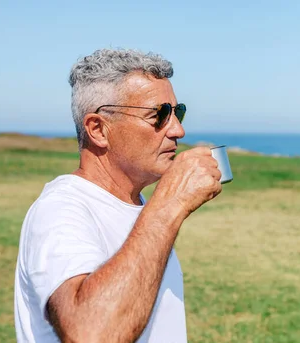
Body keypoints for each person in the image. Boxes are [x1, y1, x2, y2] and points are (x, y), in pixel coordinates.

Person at [14, 48, 223, 343]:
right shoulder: (60, 209)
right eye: (159, 115)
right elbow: (91, 334)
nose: (178, 130)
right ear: (98, 129)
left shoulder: (138, 206)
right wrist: (170, 205)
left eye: (179, 113)